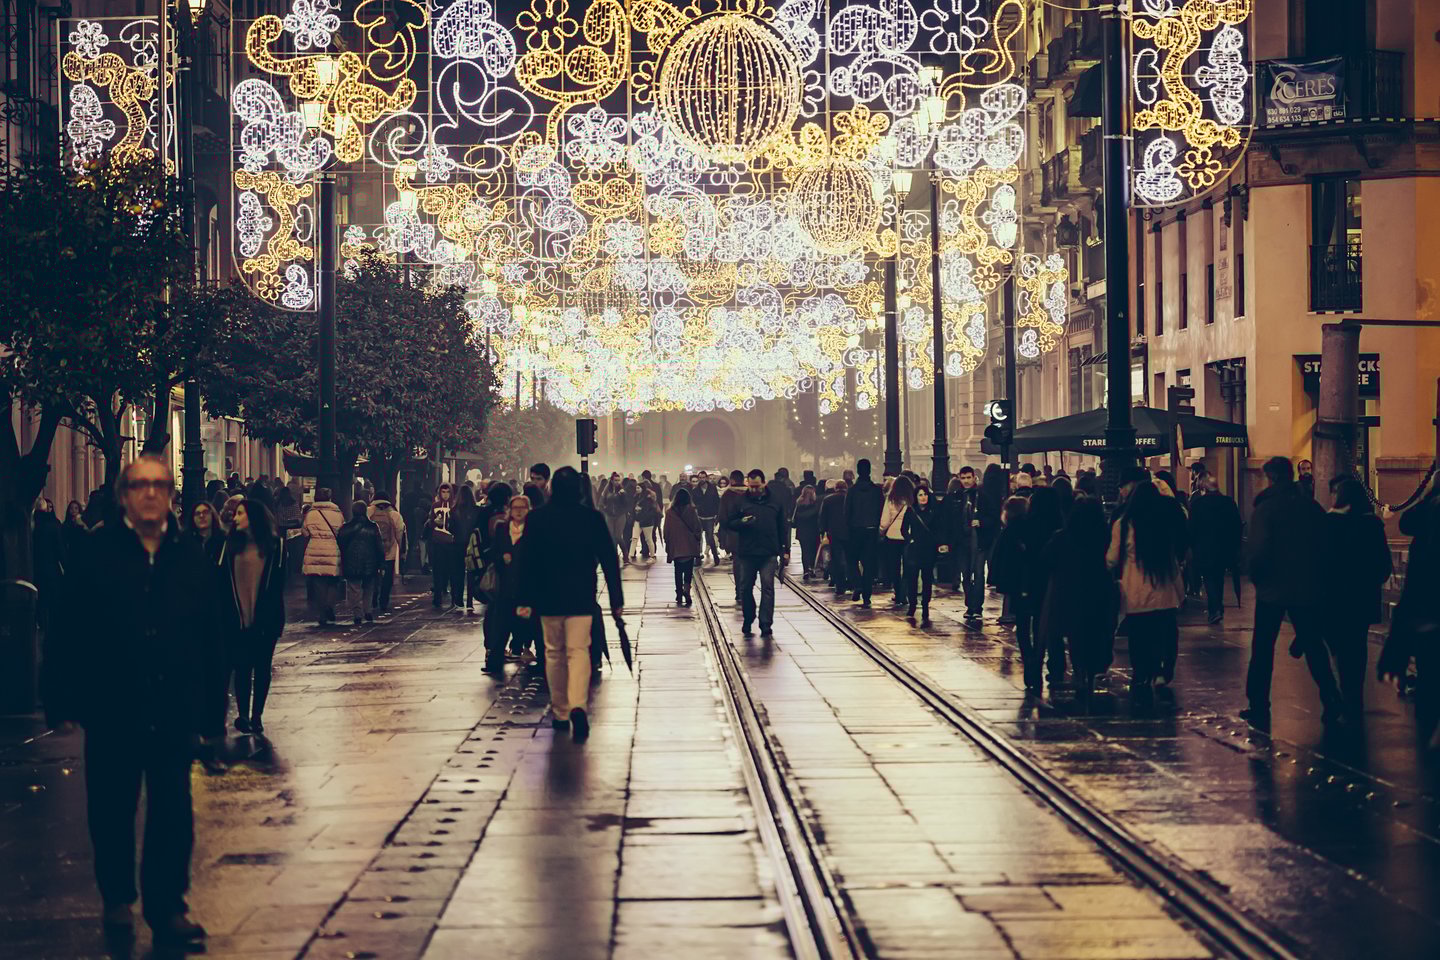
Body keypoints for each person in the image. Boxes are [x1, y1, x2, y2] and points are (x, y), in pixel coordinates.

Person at [43, 455, 219, 950]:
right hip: (112, 703)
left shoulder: (188, 555)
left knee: (172, 809)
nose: (149, 493)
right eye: (140, 485)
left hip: (172, 704)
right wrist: (59, 694)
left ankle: (168, 907)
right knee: (110, 807)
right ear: (124, 495)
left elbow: (209, 636)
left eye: (159, 485)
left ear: (169, 495)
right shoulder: (96, 552)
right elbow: (67, 627)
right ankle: (117, 898)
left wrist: (211, 715)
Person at [516, 468, 624, 743]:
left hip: (548, 598)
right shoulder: (591, 518)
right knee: (578, 651)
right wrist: (616, 600)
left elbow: (526, 560)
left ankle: (561, 711)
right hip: (581, 597)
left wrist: (524, 599)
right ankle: (578, 704)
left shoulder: (538, 518)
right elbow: (610, 560)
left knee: (553, 653)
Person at [1242, 457, 1343, 729]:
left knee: (1263, 647)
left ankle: (1259, 702)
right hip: (1306, 587)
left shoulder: (1265, 510)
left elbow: (1258, 550)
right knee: (1313, 645)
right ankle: (1330, 694)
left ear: (1271, 478)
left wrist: (1257, 578)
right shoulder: (1310, 507)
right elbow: (1325, 546)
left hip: (1272, 589)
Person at [1108, 480, 1187, 708]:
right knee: (1165, 634)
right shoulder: (1161, 526)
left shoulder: (1123, 525)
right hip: (1164, 592)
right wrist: (1180, 593)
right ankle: (1163, 671)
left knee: (1139, 637)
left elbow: (1113, 558)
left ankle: (1142, 672)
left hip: (1135, 592)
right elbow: (1172, 563)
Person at [1322, 478, 1393, 725]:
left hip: (1334, 598)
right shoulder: (1372, 524)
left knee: (1338, 646)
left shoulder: (1329, 524)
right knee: (1357, 647)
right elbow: (1384, 566)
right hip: (1362, 599)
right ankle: (1354, 695)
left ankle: (1340, 691)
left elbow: (1321, 563)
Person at [218, 498, 286, 735]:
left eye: (240, 514)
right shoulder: (229, 546)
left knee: (262, 667)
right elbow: (222, 582)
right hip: (237, 619)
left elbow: (278, 585)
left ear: (253, 517)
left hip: (265, 619)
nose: (235, 518)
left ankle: (257, 716)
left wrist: (273, 618)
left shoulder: (275, 546)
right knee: (242, 667)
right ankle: (243, 716)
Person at [1038, 497, 1117, 698]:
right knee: (1096, 632)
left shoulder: (1063, 537)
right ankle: (1092, 671)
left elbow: (1046, 560)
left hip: (1069, 593)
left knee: (1076, 635)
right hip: (1099, 591)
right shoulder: (1104, 536)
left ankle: (1080, 671)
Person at [1383, 482, 1440, 749]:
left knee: (1430, 680)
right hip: (1429, 617)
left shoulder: (1425, 532)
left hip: (1429, 619)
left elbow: (1415, 590)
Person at [726, 469, 789, 638]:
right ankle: (749, 617)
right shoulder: (741, 501)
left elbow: (783, 526)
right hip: (747, 552)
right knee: (746, 588)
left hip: (768, 552)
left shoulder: (775, 501)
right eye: (751, 486)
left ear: (764, 483)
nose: (753, 490)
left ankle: (765, 623)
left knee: (768, 587)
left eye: (757, 486)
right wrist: (741, 522)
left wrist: (786, 550)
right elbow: (729, 522)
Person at [482, 494, 536, 674]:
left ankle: (524, 650)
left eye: (523, 507)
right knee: (501, 625)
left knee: (524, 622)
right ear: (510, 510)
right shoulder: (501, 528)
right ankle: (495, 661)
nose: (519, 511)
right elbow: (493, 552)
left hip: (525, 590)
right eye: (515, 508)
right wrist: (501, 558)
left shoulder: (533, 530)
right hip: (504, 588)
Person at [1023, 487, 1068, 689]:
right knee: (1053, 625)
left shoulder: (1028, 524)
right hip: (1054, 581)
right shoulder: (1061, 524)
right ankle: (1056, 665)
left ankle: (1034, 663)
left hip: (1032, 580)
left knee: (1034, 624)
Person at [988, 496, 1032, 686]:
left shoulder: (1009, 531)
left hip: (1018, 585)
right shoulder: (1031, 528)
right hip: (1031, 583)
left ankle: (1029, 658)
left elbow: (1001, 560)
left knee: (1022, 624)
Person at [1188, 476, 1242, 624]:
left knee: (1209, 578)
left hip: (1204, 548)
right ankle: (1217, 607)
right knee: (1218, 577)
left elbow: (1192, 528)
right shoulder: (1228, 502)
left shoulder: (1198, 504)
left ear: (1204, 488)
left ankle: (1215, 608)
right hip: (1224, 548)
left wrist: (1191, 546)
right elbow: (1236, 526)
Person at [301, 488, 346, 626]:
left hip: (314, 550)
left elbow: (304, 532)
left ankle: (322, 613)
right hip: (332, 549)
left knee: (319, 584)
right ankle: (329, 606)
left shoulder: (310, 514)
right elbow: (342, 531)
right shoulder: (337, 513)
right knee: (333, 581)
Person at [845, 459, 885, 607]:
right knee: (869, 564)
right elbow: (881, 509)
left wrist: (849, 527)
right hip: (872, 530)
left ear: (857, 471)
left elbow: (847, 512)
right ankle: (867, 595)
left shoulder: (853, 491)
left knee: (851, 560)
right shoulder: (876, 490)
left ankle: (857, 584)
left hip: (855, 530)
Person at [902, 484, 942, 627]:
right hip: (914, 549)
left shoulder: (934, 511)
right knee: (912, 578)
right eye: (920, 495)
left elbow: (938, 528)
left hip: (929, 549)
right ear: (916, 497)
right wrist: (909, 539)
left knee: (927, 578)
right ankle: (912, 604)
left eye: (925, 494)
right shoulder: (911, 511)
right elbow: (903, 529)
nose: (923, 497)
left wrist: (937, 543)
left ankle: (925, 605)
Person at [337, 501, 383, 626]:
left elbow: (340, 544)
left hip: (351, 561)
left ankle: (357, 613)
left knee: (354, 588)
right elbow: (379, 546)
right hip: (370, 562)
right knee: (368, 587)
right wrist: (381, 562)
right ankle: (368, 610)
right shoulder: (373, 527)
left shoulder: (346, 528)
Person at [942, 471, 979, 618]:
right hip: (961, 541)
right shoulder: (955, 497)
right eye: (963, 478)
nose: (966, 481)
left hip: (976, 540)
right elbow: (947, 520)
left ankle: (976, 605)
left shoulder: (979, 495)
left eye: (968, 477)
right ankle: (971, 605)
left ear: (974, 477)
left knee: (977, 574)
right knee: (966, 574)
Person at [663, 487, 703, 606]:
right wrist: (697, 539)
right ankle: (687, 590)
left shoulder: (669, 512)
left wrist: (667, 542)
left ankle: (679, 593)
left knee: (678, 571)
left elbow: (666, 530)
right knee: (688, 571)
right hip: (689, 545)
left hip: (676, 545)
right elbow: (697, 527)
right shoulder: (691, 510)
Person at [367, 492, 406, 614]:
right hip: (389, 552)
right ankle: (383, 601)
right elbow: (401, 534)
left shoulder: (368, 512)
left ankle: (372, 598)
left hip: (372, 552)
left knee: (372, 576)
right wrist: (403, 551)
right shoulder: (394, 514)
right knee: (387, 578)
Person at [880, 475, 914, 607]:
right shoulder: (912, 499)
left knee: (894, 566)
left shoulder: (891, 498)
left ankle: (898, 592)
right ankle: (905, 593)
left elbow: (885, 519)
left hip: (892, 535)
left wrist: (882, 529)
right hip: (908, 536)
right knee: (907, 566)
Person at [424, 484, 459, 608]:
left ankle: (454, 597)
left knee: (451, 571)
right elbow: (430, 522)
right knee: (438, 571)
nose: (445, 494)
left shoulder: (455, 506)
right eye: (443, 492)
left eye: (447, 492)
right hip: (438, 542)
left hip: (450, 542)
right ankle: (438, 597)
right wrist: (434, 523)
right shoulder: (435, 506)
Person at [450, 485, 481, 611]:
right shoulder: (477, 510)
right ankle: (470, 601)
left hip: (458, 544)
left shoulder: (454, 511)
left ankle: (458, 599)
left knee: (458, 572)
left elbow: (450, 528)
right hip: (472, 544)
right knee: (472, 572)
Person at [718, 469, 747, 598]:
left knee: (737, 561)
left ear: (733, 480)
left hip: (734, 533)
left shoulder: (728, 495)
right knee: (749, 562)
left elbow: (722, 517)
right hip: (750, 534)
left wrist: (724, 534)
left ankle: (739, 590)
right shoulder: (750, 493)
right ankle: (747, 587)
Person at [819, 479, 849, 595]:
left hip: (834, 532)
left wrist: (823, 530)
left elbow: (823, 517)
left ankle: (839, 585)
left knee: (836, 558)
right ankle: (850, 581)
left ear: (835, 488)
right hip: (849, 532)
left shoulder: (828, 500)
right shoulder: (849, 497)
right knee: (849, 558)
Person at [791, 485, 822, 580]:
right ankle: (811, 568)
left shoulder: (798, 503)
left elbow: (794, 519)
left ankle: (805, 570)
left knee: (805, 551)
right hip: (814, 530)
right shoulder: (816, 504)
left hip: (802, 531)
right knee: (813, 550)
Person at [692, 471, 723, 565]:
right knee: (697, 537)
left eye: (703, 477)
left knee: (710, 538)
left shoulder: (712, 488)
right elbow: (693, 502)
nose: (702, 479)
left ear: (706, 478)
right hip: (700, 516)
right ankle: (697, 557)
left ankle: (715, 556)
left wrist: (717, 514)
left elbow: (717, 501)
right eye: (700, 477)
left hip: (710, 517)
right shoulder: (695, 490)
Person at [635, 486, 662, 561]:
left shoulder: (647, 500)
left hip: (647, 521)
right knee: (649, 538)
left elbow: (648, 512)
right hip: (649, 521)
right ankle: (651, 553)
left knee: (647, 538)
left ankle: (648, 552)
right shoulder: (647, 498)